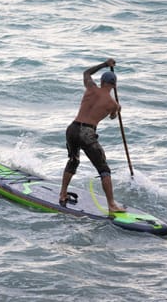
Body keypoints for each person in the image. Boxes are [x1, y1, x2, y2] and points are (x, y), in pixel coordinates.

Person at [59, 58, 126, 214]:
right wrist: (117, 109)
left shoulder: (90, 88)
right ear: (114, 85)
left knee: (73, 161)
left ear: (102, 81)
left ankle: (63, 194)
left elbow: (86, 72)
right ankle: (111, 205)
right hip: (87, 133)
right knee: (104, 169)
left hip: (73, 128)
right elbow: (112, 116)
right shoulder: (113, 103)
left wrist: (104, 64)